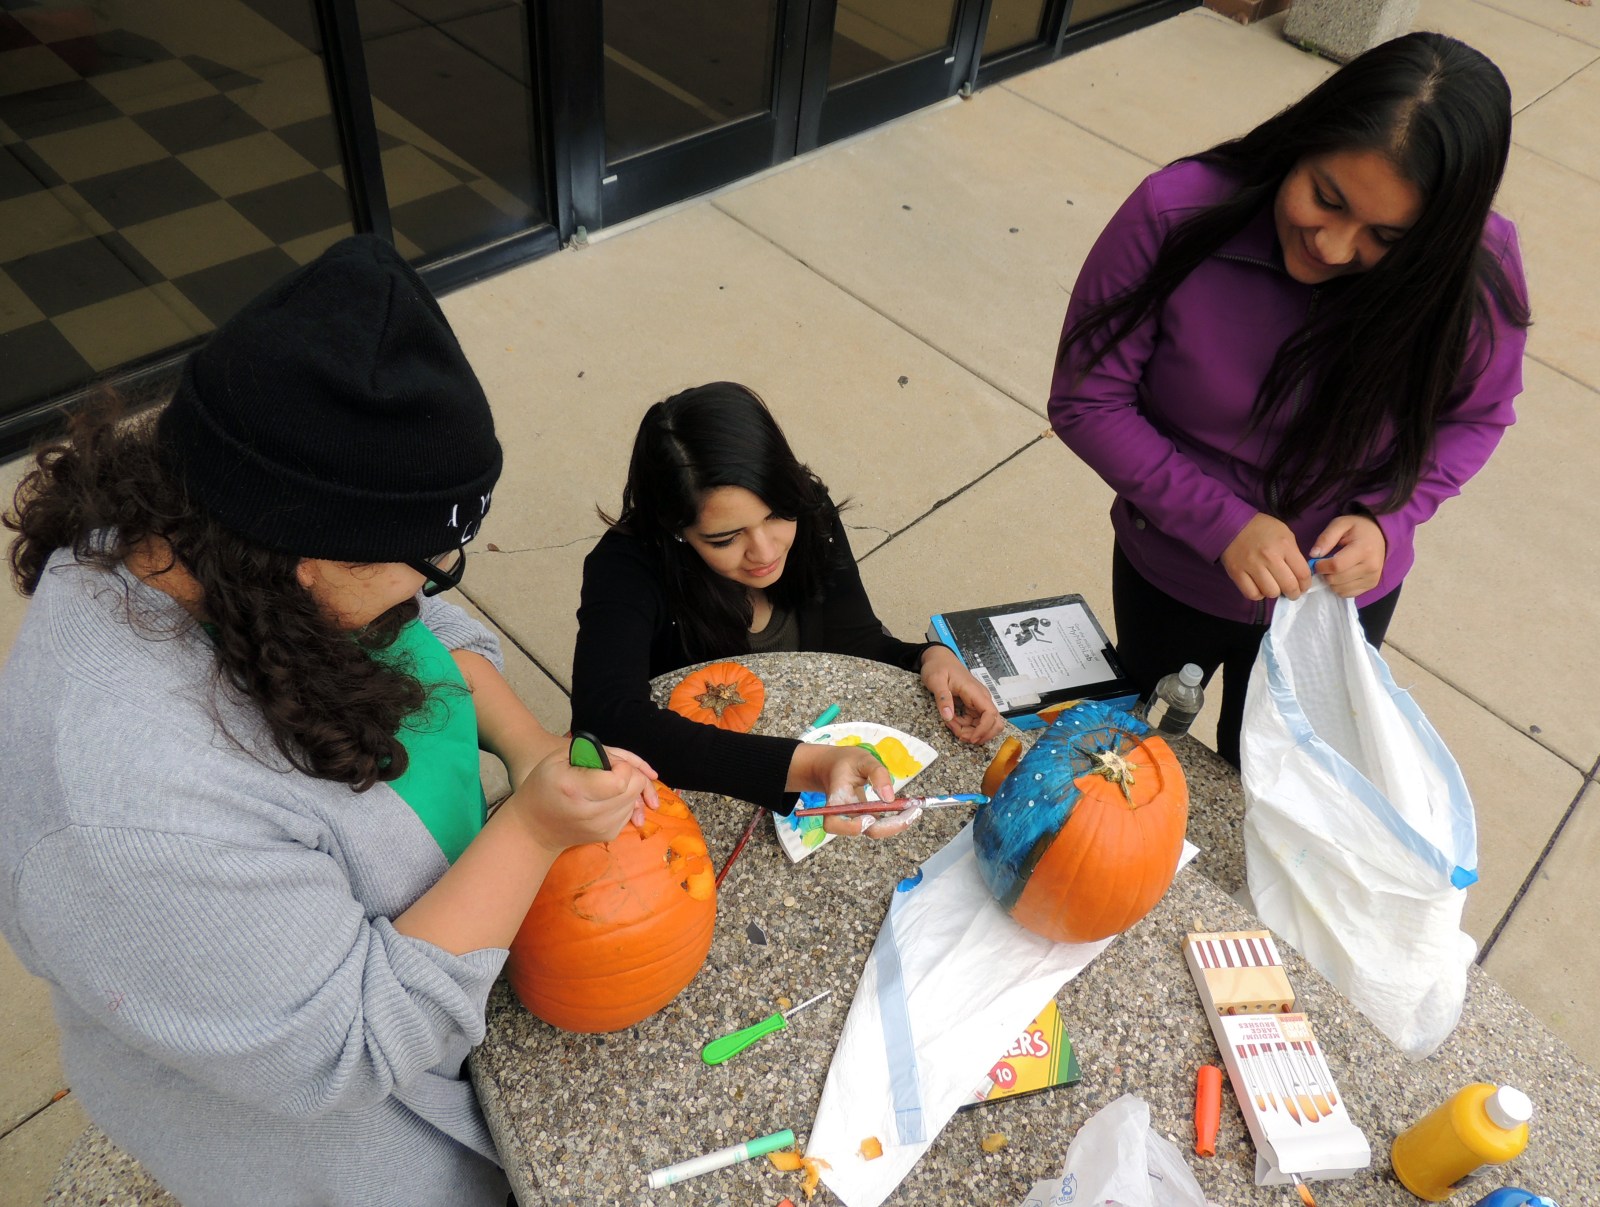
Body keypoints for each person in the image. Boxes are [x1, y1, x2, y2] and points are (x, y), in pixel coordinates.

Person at [0, 236, 657, 1207]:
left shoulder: (209, 524)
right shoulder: (139, 816)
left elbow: (417, 624)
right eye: (420, 559)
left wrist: (524, 743)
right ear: (297, 561)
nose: (434, 588)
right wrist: (531, 831)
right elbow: (351, 1040)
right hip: (361, 1148)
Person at [1048, 31, 1529, 766]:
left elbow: (1476, 414)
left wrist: (1388, 520)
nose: (1333, 247)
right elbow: (1089, 400)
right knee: (1129, 758)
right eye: (1324, 199)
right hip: (1170, 568)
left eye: (1386, 237)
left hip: (1334, 604)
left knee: (1279, 779)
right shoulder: (1174, 213)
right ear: (1302, 138)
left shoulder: (1477, 277)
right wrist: (1220, 522)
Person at [570, 381, 1005, 835]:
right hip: (682, 803)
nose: (763, 551)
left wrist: (928, 658)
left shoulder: (810, 512)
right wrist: (809, 766)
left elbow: (854, 645)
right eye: (725, 538)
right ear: (675, 530)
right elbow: (609, 719)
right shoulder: (625, 569)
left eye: (777, 514)